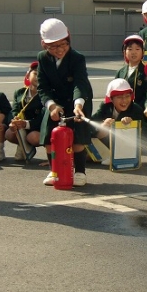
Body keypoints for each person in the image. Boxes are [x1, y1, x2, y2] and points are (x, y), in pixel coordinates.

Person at [37, 18, 93, 186]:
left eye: (63, 45)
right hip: (55, 103)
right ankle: (54, 171)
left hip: (78, 101)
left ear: (69, 39)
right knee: (49, 139)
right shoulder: (42, 58)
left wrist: (78, 105)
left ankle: (80, 172)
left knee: (78, 139)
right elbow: (42, 87)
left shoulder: (77, 58)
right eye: (53, 46)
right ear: (44, 44)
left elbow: (80, 83)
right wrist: (51, 106)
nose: (59, 50)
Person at [6, 61, 45, 162]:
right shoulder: (19, 92)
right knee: (9, 133)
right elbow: (15, 109)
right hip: (22, 126)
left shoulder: (46, 95)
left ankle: (29, 146)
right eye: (35, 74)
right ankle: (24, 146)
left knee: (33, 137)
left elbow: (43, 118)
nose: (38, 77)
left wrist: (25, 124)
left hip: (39, 127)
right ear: (28, 75)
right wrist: (14, 120)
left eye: (42, 75)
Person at [91, 78, 145, 149]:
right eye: (119, 97)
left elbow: (144, 134)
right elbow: (92, 125)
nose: (124, 101)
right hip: (106, 148)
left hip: (128, 149)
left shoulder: (136, 109)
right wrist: (103, 125)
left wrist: (132, 126)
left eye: (127, 96)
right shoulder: (105, 107)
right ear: (111, 99)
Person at [115, 34, 147, 109]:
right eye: (130, 49)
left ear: (143, 52)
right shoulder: (120, 72)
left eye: (137, 49)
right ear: (125, 52)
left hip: (140, 111)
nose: (134, 52)